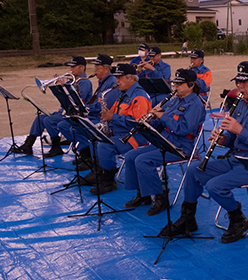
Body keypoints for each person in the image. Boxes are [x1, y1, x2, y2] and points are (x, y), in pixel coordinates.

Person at [162, 61, 248, 243]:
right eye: (238, 82)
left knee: (215, 185)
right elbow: (234, 140)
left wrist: (239, 130)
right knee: (194, 171)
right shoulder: (242, 103)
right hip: (236, 158)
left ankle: (237, 218)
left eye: (244, 82)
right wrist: (223, 139)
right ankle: (188, 218)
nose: (239, 87)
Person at [123, 69, 205, 216]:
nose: (176, 87)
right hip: (164, 141)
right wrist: (147, 124)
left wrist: (162, 115)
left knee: (143, 160)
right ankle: (144, 193)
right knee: (130, 156)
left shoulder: (195, 105)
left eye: (180, 84)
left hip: (180, 146)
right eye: (175, 83)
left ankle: (161, 197)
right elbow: (161, 124)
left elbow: (183, 129)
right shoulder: (175, 100)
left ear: (191, 85)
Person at [85, 63, 152, 195]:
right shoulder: (123, 94)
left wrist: (113, 117)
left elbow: (138, 124)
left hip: (135, 136)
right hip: (120, 132)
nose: (117, 82)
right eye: (116, 78)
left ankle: (109, 181)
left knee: (105, 146)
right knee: (94, 137)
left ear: (131, 78)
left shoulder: (139, 96)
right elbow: (112, 112)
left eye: (120, 78)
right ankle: (100, 171)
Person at [12, 56, 93, 157]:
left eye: (74, 67)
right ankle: (28, 145)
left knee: (49, 120)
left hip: (74, 113)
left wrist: (63, 86)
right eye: (71, 67)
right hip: (64, 110)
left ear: (82, 67)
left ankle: (56, 147)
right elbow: (62, 98)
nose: (71, 69)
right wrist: (57, 87)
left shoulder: (85, 82)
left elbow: (77, 99)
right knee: (40, 118)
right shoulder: (73, 80)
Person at [58, 54, 118, 169]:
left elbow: (105, 106)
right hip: (94, 115)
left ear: (106, 69)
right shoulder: (103, 81)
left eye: (97, 68)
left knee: (75, 128)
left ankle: (92, 159)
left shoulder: (111, 82)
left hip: (101, 118)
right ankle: (86, 154)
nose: (95, 71)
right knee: (64, 125)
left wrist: (86, 110)